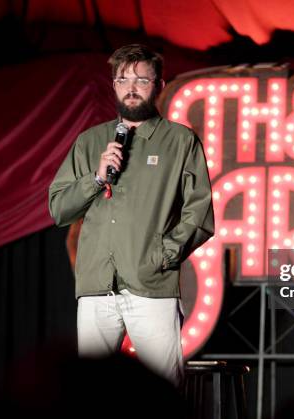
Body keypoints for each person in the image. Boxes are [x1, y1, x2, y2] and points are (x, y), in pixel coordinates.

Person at [48, 44, 214, 387]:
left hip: (151, 285)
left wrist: (162, 255)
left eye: (141, 80)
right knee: (89, 392)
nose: (131, 88)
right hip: (96, 286)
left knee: (163, 389)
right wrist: (95, 178)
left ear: (159, 85)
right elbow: (59, 209)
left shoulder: (180, 141)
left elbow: (200, 214)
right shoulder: (90, 142)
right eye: (122, 80)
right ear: (113, 85)